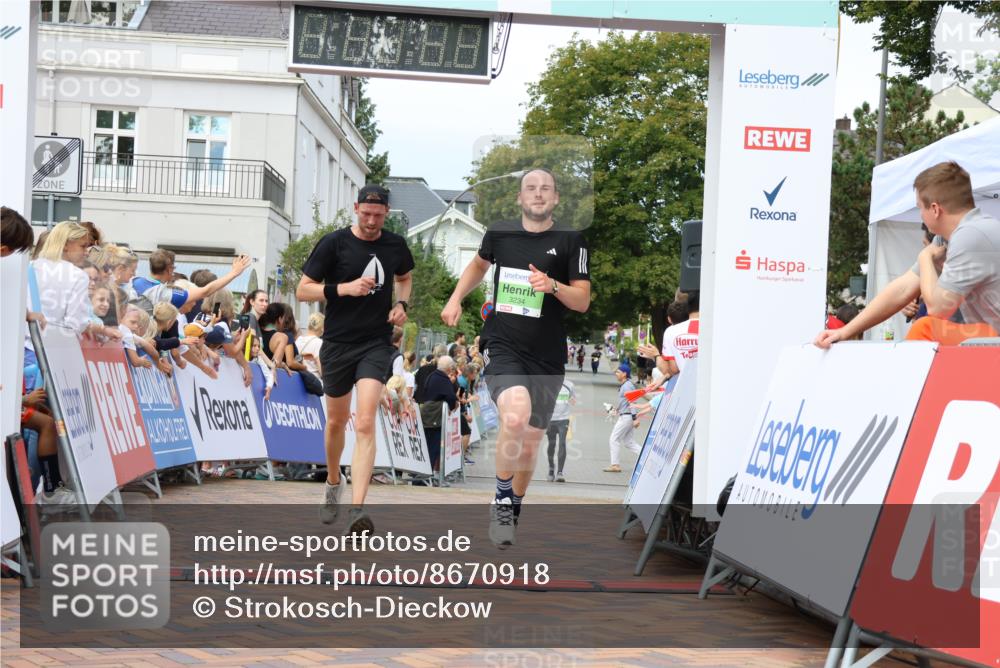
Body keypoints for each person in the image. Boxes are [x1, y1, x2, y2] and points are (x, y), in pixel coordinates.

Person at [441, 168, 591, 549]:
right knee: (514, 415)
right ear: (521, 199)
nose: (538, 194)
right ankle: (502, 497)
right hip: (504, 344)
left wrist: (553, 286)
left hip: (548, 355)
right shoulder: (500, 234)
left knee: (530, 442)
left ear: (556, 198)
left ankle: (514, 504)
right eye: (531, 189)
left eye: (546, 189)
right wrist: (456, 298)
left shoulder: (572, 241)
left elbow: (583, 300)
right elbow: (477, 265)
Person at [295, 184, 414, 534]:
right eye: (366, 214)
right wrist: (342, 289)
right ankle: (334, 482)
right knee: (335, 422)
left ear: (386, 214)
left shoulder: (395, 245)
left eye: (378, 215)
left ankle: (358, 509)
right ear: (356, 208)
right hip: (337, 343)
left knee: (364, 422)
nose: (372, 221)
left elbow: (404, 278)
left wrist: (401, 304)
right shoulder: (334, 243)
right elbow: (304, 289)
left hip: (376, 343)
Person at [815, 161, 1000, 347]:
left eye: (920, 207)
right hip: (990, 341)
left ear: (935, 209)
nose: (920, 214)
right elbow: (901, 289)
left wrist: (925, 257)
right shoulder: (949, 238)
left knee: (926, 328)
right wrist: (845, 331)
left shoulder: (971, 235)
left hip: (992, 343)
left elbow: (938, 308)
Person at [605, 364, 640, 473]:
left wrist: (635, 418)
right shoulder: (626, 385)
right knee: (628, 442)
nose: (616, 374)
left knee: (613, 439)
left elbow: (632, 401)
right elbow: (625, 401)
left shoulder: (627, 386)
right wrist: (616, 409)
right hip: (626, 415)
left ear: (624, 373)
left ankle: (615, 465)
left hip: (627, 417)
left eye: (618, 372)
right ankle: (647, 456)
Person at [546, 378, 575, 482]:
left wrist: (571, 400)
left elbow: (573, 400)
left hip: (564, 419)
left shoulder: (569, 385)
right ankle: (551, 469)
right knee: (551, 444)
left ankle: (560, 472)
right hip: (550, 419)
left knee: (562, 443)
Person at [297, 312, 325, 377]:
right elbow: (322, 371)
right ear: (321, 328)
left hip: (300, 380)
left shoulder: (299, 340)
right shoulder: (319, 343)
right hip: (314, 381)